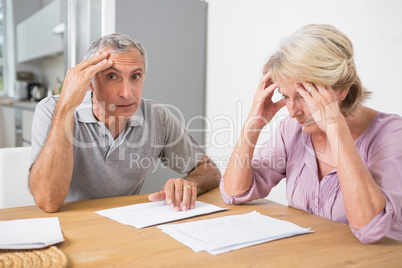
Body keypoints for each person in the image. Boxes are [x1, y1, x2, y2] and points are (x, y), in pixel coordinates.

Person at [221, 24, 402, 243]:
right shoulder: (293, 130)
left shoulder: (391, 133)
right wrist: (254, 122)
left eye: (304, 96)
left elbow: (369, 228)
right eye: (286, 97)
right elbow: (234, 192)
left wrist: (335, 128)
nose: (292, 112)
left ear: (341, 89)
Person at [29, 33, 220, 213]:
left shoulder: (157, 116)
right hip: (67, 224)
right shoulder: (53, 109)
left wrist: (190, 184)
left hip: (124, 225)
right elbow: (48, 201)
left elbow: (210, 170)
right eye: (112, 77)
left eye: (135, 76)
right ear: (89, 81)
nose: (127, 93)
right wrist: (66, 108)